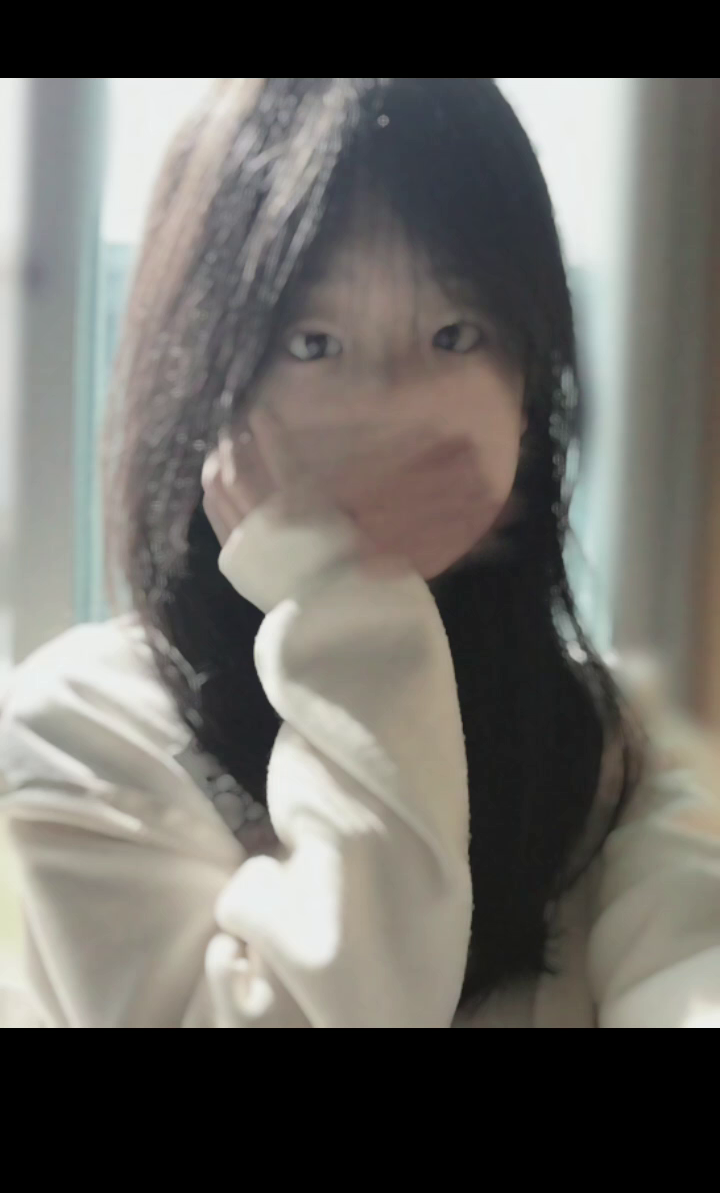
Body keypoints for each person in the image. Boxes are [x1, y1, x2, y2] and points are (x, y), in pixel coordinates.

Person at [2, 77, 720, 1028]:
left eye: (455, 333)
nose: (391, 403)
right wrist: (345, 608)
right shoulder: (83, 727)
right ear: (206, 387)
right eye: (314, 342)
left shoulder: (601, 741)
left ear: (528, 392)